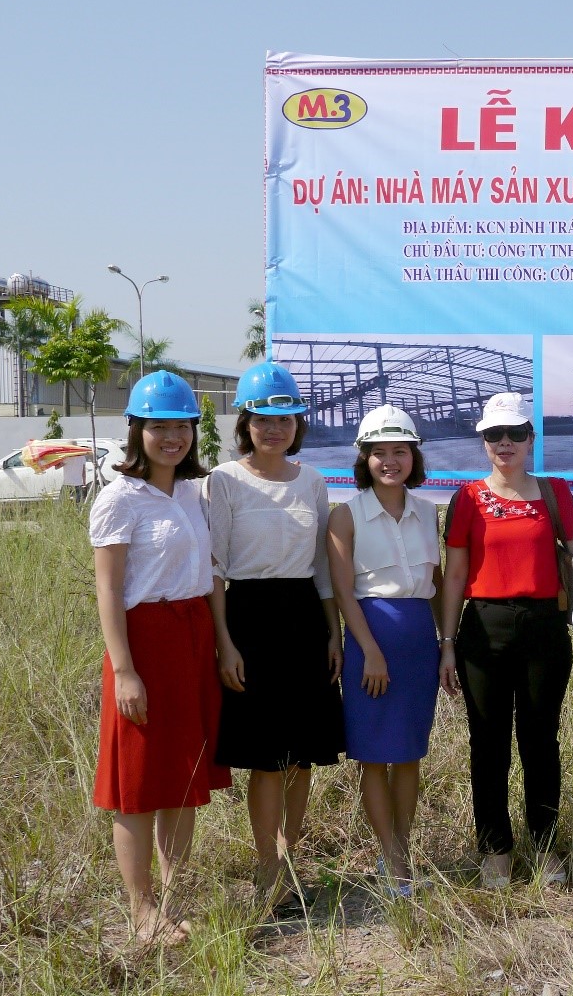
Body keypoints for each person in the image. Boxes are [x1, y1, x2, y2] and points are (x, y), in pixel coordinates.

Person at [89, 371, 230, 945]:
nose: (172, 437)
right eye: (159, 427)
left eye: (182, 426)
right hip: (144, 642)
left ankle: (174, 898)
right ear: (136, 431)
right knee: (139, 782)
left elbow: (211, 573)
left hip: (193, 637)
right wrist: (124, 670)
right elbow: (108, 589)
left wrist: (221, 644)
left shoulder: (194, 493)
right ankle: (142, 910)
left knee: (183, 776)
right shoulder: (120, 498)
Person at [206, 361, 344, 914]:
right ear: (246, 422)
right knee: (266, 759)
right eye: (263, 418)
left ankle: (291, 859)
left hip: (304, 619)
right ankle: (268, 870)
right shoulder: (224, 480)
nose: (274, 429)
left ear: (298, 424)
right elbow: (215, 568)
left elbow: (322, 567)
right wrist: (225, 642)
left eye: (285, 419)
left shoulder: (313, 482)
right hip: (249, 619)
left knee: (301, 755)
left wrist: (333, 634)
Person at [440, 393, 573, 890]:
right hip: (484, 628)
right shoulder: (468, 498)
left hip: (544, 627)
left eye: (515, 433)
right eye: (494, 435)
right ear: (483, 441)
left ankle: (545, 845)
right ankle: (495, 849)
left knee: (541, 741)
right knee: (488, 743)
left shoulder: (556, 492)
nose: (505, 443)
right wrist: (447, 642)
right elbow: (455, 575)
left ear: (530, 438)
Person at [327, 405, 442, 898]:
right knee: (374, 755)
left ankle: (403, 850)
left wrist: (446, 645)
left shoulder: (427, 512)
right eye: (379, 452)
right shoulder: (346, 514)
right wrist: (369, 651)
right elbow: (342, 590)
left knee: (409, 753)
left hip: (418, 642)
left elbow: (436, 584)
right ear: (364, 459)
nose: (390, 461)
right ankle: (391, 857)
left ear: (414, 457)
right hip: (369, 639)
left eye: (400, 451)